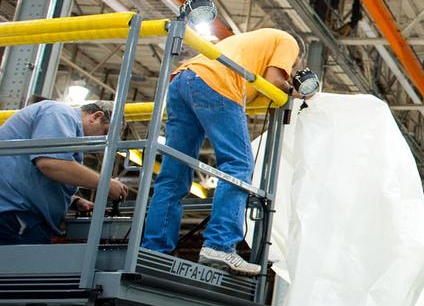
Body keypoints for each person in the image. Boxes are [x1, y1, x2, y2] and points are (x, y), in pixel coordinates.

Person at [141, 28, 300, 275]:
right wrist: (295, 90)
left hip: (183, 79)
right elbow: (273, 81)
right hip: (218, 80)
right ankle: (220, 244)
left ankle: (154, 250)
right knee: (238, 164)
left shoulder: (248, 42)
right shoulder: (289, 41)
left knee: (174, 171)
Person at [0, 99, 128, 245]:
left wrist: (73, 201)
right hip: (13, 215)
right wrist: (106, 183)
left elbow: (33, 171)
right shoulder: (60, 113)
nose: (102, 144)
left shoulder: (71, 136)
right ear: (96, 116)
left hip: (19, 217)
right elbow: (50, 163)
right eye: (105, 133)